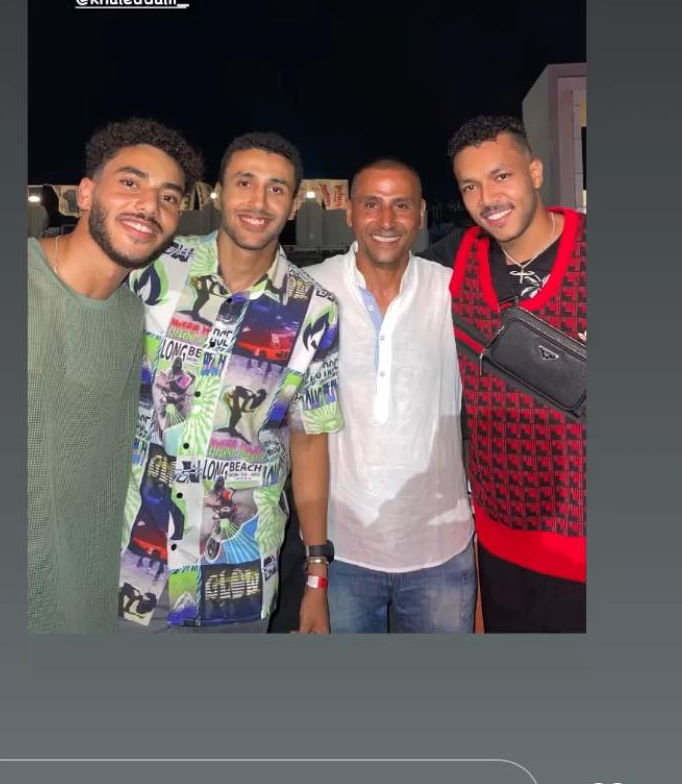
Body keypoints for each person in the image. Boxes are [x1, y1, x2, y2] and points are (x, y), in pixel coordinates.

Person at [118, 131, 342, 634]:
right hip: (136, 565)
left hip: (238, 578)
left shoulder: (315, 310)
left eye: (276, 188)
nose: (258, 202)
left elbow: (310, 443)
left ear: (293, 205)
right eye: (245, 182)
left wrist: (316, 576)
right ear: (218, 192)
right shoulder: (155, 269)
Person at [28, 117, 202, 633]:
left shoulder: (132, 318)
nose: (149, 206)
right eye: (130, 182)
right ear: (85, 194)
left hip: (85, 608)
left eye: (168, 197)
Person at [424, 116, 586, 633]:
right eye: (470, 186)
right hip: (502, 540)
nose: (488, 198)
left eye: (501, 176)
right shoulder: (456, 259)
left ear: (535, 172)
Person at [308, 159, 475, 633]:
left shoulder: (454, 290)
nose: (386, 220)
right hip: (342, 551)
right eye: (372, 204)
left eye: (401, 205)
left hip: (442, 550)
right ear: (349, 213)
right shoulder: (310, 289)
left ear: (420, 215)